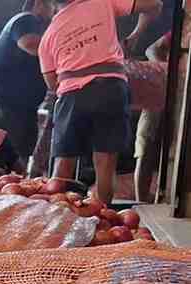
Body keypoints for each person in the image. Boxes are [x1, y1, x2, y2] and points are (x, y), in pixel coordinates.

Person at [39, 0, 160, 204]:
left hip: (71, 95)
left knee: (63, 165)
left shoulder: (48, 36)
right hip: (111, 90)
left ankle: (56, 219)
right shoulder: (102, 2)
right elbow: (154, 4)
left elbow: (52, 83)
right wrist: (135, 36)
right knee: (105, 164)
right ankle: (103, 217)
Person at [0, 0, 54, 171]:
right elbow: (30, 44)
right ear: (38, 4)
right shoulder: (26, 19)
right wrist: (64, 49)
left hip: (21, 108)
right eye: (52, 5)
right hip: (7, 105)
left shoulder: (35, 25)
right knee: (5, 162)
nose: (55, 10)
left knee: (19, 161)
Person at [134, 31, 169, 201]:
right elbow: (152, 50)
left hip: (183, 101)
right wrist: (167, 72)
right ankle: (141, 201)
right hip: (161, 92)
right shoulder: (183, 28)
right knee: (146, 145)